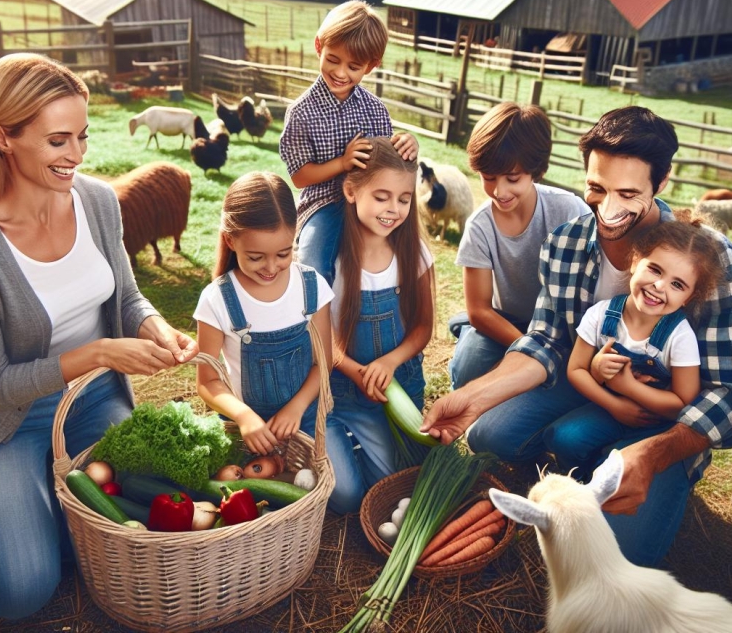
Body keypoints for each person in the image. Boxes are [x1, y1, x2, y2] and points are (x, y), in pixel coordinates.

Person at [421, 106, 732, 567]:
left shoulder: (711, 257)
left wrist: (657, 452)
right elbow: (544, 341)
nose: (609, 208)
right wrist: (476, 397)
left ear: (662, 183)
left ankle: (638, 464)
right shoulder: (565, 242)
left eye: (628, 193)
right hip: (588, 380)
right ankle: (584, 445)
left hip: (666, 416)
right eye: (596, 189)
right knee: (487, 434)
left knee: (621, 555)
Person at [0, 53, 197, 620]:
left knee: (173, 515)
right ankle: (8, 500)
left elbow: (125, 297)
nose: (76, 155)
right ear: (3, 137)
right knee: (22, 594)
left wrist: (154, 324)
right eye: (57, 141)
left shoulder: (97, 202)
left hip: (96, 400)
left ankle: (55, 503)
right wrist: (98, 351)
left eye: (82, 135)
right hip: (8, 421)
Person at [551, 217, 727, 470]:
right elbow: (575, 370)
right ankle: (582, 477)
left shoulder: (679, 336)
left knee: (620, 464)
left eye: (677, 285)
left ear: (690, 297)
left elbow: (682, 403)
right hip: (609, 409)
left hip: (657, 426)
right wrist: (606, 387)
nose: (659, 286)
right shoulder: (601, 315)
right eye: (655, 269)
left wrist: (629, 386)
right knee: (563, 438)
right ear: (635, 262)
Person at [327, 138, 434, 513]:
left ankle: (362, 449)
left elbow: (423, 328)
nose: (393, 209)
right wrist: (356, 372)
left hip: (397, 386)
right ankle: (331, 440)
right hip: (345, 389)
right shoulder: (333, 258)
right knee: (346, 498)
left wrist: (389, 363)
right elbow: (322, 337)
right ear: (351, 191)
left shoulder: (414, 253)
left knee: (398, 483)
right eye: (382, 197)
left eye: (404, 199)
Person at [449, 101, 588, 390]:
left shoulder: (569, 210)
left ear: (535, 170)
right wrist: (526, 349)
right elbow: (480, 311)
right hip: (501, 323)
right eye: (488, 178)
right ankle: (465, 334)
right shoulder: (480, 227)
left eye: (513, 179)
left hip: (557, 327)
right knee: (465, 371)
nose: (500, 191)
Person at [193, 172, 334, 456]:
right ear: (230, 241)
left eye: (284, 254)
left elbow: (324, 363)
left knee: (345, 495)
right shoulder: (217, 298)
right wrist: (244, 417)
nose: (271, 267)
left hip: (305, 416)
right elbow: (207, 382)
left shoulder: (311, 286)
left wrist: (296, 408)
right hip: (243, 427)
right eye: (256, 257)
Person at [279, 0, 418, 285]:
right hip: (325, 204)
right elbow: (300, 177)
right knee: (313, 264)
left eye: (353, 66)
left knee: (412, 253)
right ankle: (315, 325)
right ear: (319, 46)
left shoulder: (375, 108)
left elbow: (386, 159)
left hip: (373, 201)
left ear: (370, 66)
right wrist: (342, 162)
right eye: (333, 59)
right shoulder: (301, 112)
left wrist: (406, 145)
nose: (341, 73)